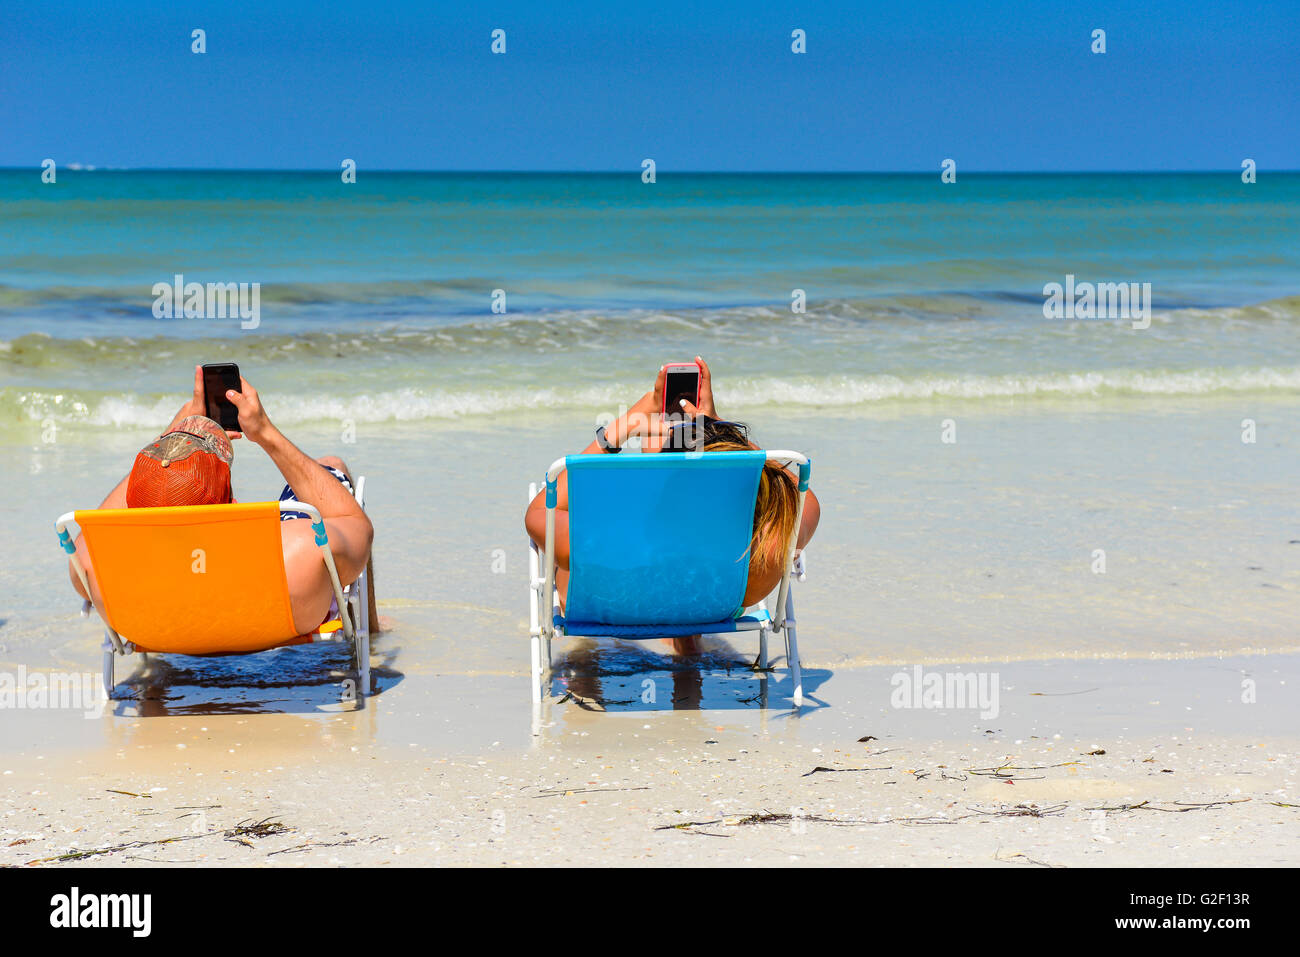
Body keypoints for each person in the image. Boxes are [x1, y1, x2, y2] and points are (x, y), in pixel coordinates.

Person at [524, 357, 820, 654]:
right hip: (706, 606)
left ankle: (590, 675)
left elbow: (539, 513)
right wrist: (722, 430)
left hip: (616, 606)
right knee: (688, 559)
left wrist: (626, 425)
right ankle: (685, 637)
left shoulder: (603, 540)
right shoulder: (763, 554)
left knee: (569, 556)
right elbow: (803, 497)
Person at [66, 366, 377, 637]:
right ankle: (374, 631)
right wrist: (266, 433)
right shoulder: (300, 550)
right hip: (272, 620)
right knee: (331, 464)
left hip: (164, 629)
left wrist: (171, 439)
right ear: (230, 499)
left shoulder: (96, 565)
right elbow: (355, 524)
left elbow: (96, 528)